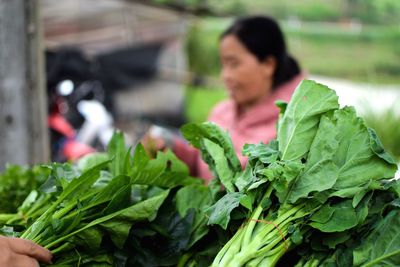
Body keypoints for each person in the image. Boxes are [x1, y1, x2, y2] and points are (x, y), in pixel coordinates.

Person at [147, 15, 304, 182]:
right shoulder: (222, 111)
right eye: (223, 65)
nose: (225, 76)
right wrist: (170, 150)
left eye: (234, 64)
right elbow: (202, 161)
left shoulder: (293, 127)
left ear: (268, 65)